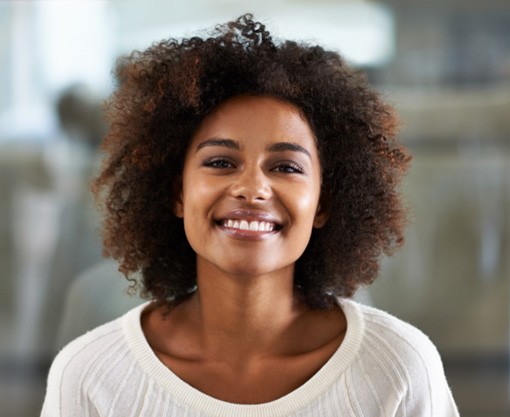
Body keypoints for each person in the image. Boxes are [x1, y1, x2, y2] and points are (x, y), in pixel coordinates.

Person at [41, 14, 459, 416]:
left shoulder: (398, 368)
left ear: (324, 204)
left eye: (286, 167)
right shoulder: (91, 376)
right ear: (177, 194)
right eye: (221, 162)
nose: (253, 188)